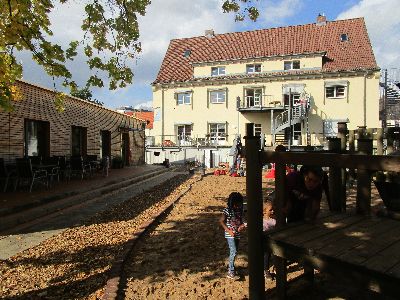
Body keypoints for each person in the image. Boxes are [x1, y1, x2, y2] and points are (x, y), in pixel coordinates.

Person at [219, 192, 246, 279]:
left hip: (237, 234)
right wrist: (228, 231)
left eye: (238, 205)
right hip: (230, 234)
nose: (237, 207)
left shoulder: (240, 210)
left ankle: (232, 267)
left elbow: (242, 221)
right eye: (235, 205)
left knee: (235, 251)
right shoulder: (227, 211)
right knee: (233, 251)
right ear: (231, 204)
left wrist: (242, 226)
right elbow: (221, 221)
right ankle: (230, 271)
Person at [263, 200, 276, 279]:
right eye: (270, 210)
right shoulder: (261, 221)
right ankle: (266, 270)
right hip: (265, 243)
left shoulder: (274, 220)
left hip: (273, 242)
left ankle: (276, 268)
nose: (273, 211)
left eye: (273, 209)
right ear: (264, 211)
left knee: (275, 255)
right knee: (266, 256)